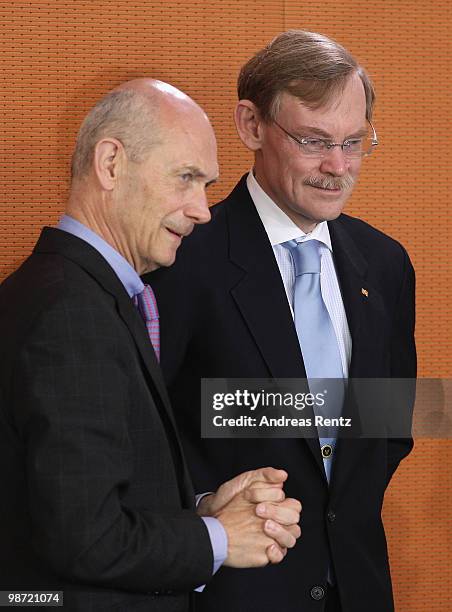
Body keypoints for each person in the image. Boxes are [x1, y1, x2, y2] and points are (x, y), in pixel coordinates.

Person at [0, 79, 302, 612]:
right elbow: (85, 538)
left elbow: (88, 492)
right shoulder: (70, 312)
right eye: (186, 178)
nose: (203, 209)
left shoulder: (90, 295)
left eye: (206, 185)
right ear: (111, 164)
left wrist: (204, 509)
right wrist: (220, 539)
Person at [148, 30, 416, 612]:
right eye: (314, 140)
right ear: (251, 126)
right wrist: (203, 511)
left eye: (354, 141)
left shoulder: (387, 263)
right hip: (230, 590)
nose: (337, 167)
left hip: (358, 586)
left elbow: (391, 427)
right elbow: (141, 428)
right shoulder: (179, 258)